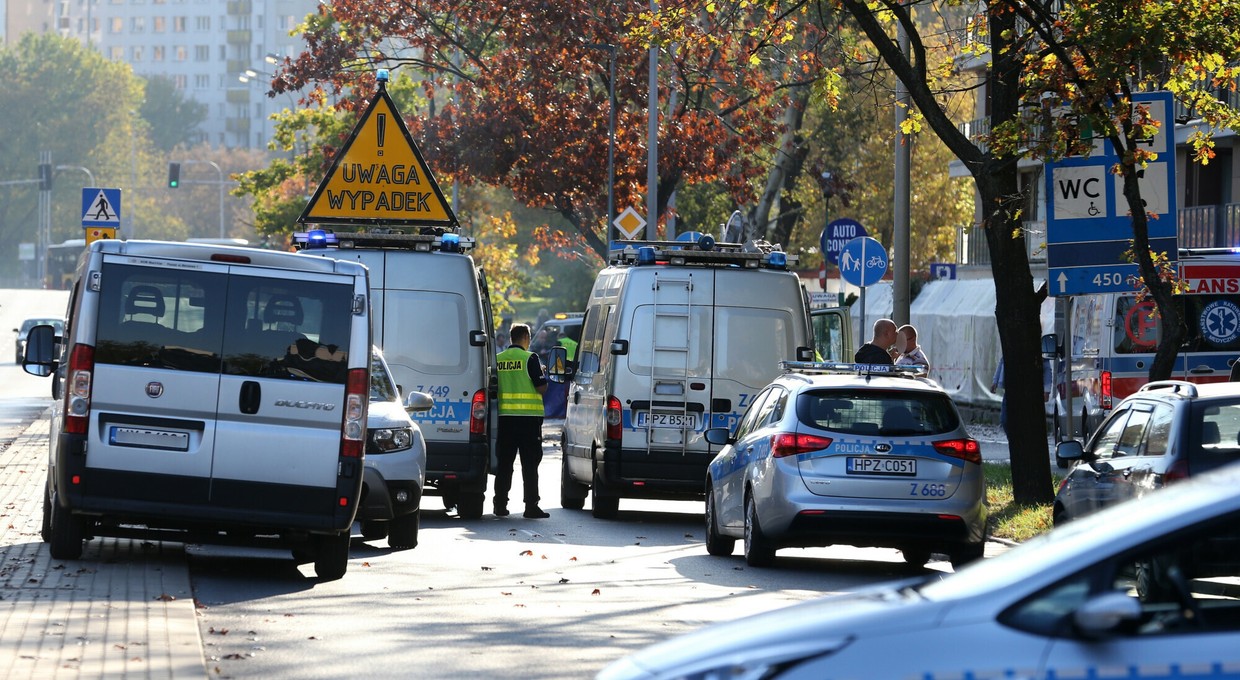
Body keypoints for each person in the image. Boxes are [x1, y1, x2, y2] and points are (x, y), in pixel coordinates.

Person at [494, 323, 550, 519]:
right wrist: (541, 372)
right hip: (528, 421)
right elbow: (541, 387)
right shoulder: (530, 358)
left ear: (511, 338)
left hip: (505, 420)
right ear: (526, 337)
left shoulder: (498, 359)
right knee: (530, 464)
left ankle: (500, 504)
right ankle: (531, 506)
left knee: (504, 464)